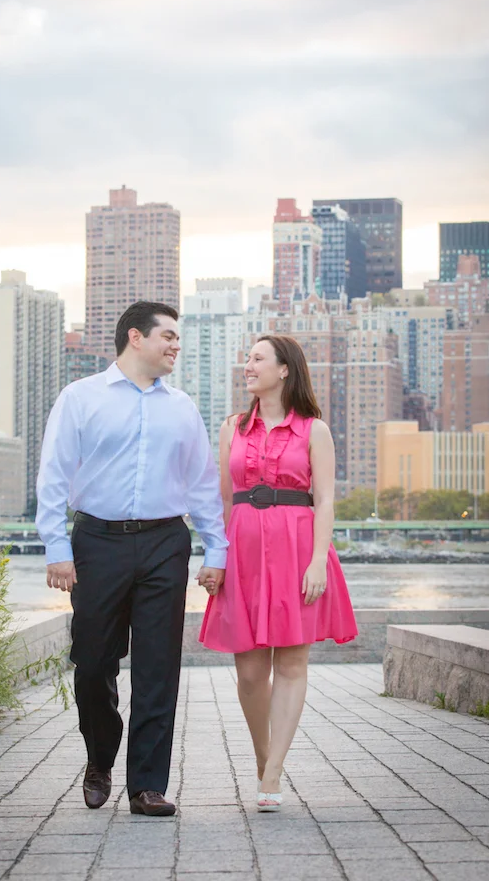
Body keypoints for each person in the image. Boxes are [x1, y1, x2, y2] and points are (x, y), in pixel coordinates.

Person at [36, 301, 227, 817]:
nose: (176, 346)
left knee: (158, 667)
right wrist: (57, 547)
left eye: (178, 338)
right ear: (136, 338)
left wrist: (217, 549)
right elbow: (54, 475)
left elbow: (203, 484)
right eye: (168, 336)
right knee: (93, 661)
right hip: (97, 541)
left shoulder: (182, 407)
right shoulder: (80, 398)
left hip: (166, 542)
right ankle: (100, 758)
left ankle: (146, 785)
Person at [199, 334, 357, 811]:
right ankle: (263, 757)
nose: (247, 366)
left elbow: (324, 500)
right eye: (246, 359)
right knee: (249, 671)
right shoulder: (232, 427)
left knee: (291, 663)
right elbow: (223, 499)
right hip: (244, 551)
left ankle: (273, 772)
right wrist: (215, 557)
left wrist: (318, 560)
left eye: (257, 359)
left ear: (284, 368)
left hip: (296, 549)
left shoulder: (314, 430)